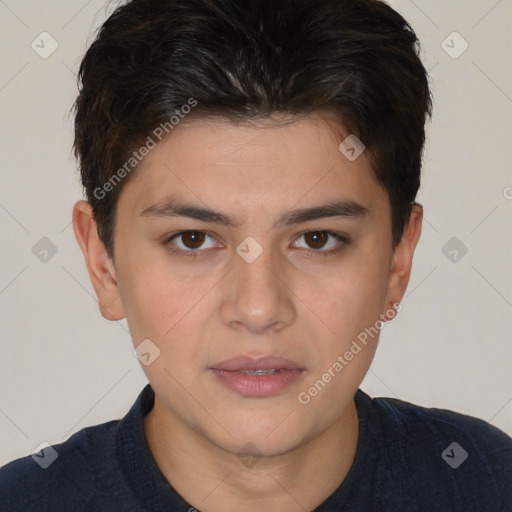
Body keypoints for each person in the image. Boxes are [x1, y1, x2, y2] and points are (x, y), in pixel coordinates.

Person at [1, 0, 510, 510]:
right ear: (102, 262)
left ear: (399, 261)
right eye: (193, 239)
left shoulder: (489, 483)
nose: (259, 309)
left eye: (317, 239)